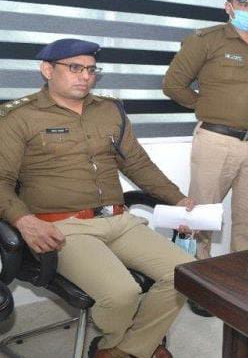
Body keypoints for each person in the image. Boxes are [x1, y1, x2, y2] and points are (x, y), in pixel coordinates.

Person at [0, 39, 195, 358]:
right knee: (121, 293)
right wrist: (24, 221)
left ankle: (121, 349)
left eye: (91, 70)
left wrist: (178, 199)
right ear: (47, 70)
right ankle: (129, 344)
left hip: (118, 219)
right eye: (74, 68)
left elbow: (138, 164)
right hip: (63, 227)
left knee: (186, 273)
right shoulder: (18, 116)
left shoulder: (109, 110)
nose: (85, 76)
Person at [163, 0, 248, 259]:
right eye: (245, 4)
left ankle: (240, 278)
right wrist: (206, 105)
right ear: (229, 7)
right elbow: (173, 84)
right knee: (200, 220)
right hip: (217, 142)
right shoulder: (205, 40)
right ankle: (196, 277)